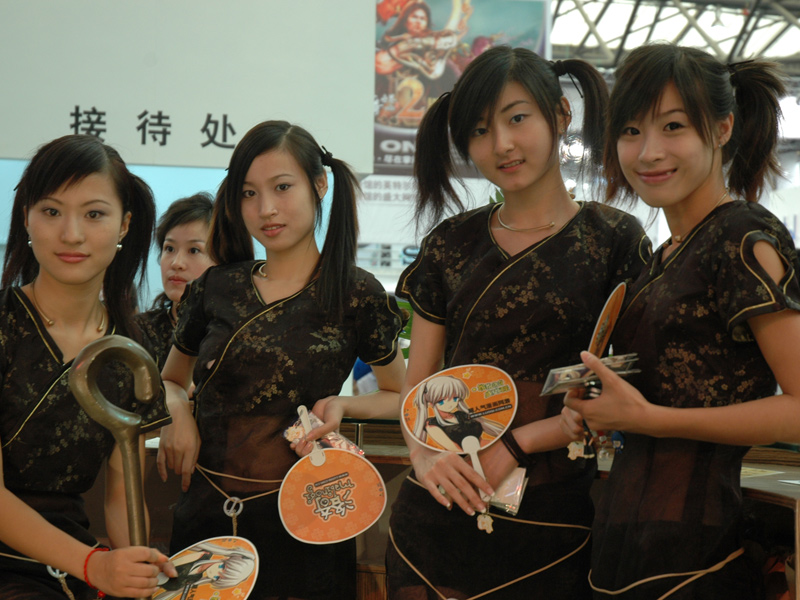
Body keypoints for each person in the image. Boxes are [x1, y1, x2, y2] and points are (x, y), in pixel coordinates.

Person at [387, 45, 650, 599]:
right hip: (438, 509)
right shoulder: (450, 243)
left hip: (552, 517)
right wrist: (424, 456)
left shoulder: (614, 240)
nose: (502, 144)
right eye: (481, 131)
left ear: (561, 115)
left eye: (517, 118)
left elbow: (621, 380)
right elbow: (420, 384)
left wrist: (519, 442)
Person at [561, 43, 800, 598]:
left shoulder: (741, 237)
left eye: (673, 127)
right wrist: (603, 411)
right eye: (630, 131)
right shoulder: (665, 254)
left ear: (721, 129)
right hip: (626, 547)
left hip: (699, 556)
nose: (649, 152)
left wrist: (650, 418)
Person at [157, 120, 407, 599]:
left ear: (320, 185)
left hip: (309, 520)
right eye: (249, 193)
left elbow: (402, 395)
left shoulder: (355, 292)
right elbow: (170, 380)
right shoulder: (216, 287)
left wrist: (343, 405)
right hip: (208, 514)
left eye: (282, 187)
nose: (266, 208)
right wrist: (178, 413)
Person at [0, 134, 176, 599]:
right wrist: (93, 565)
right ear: (26, 217)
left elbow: (123, 499)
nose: (72, 234)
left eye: (94, 214)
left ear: (124, 225)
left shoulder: (133, 349)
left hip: (67, 570)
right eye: (51, 211)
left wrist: (140, 571)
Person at [135, 193, 215, 369]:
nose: (176, 263)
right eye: (169, 248)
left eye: (194, 250)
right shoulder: (138, 332)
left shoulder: (240, 333)